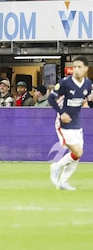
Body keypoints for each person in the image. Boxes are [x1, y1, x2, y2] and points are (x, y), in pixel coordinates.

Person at [49, 56, 93, 191]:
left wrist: (90, 101)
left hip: (76, 123)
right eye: (74, 67)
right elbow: (51, 98)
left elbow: (88, 101)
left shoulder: (87, 84)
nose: (76, 70)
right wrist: (62, 113)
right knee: (78, 152)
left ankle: (63, 181)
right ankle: (56, 167)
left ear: (86, 69)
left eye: (79, 67)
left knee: (76, 155)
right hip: (63, 123)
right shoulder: (65, 83)